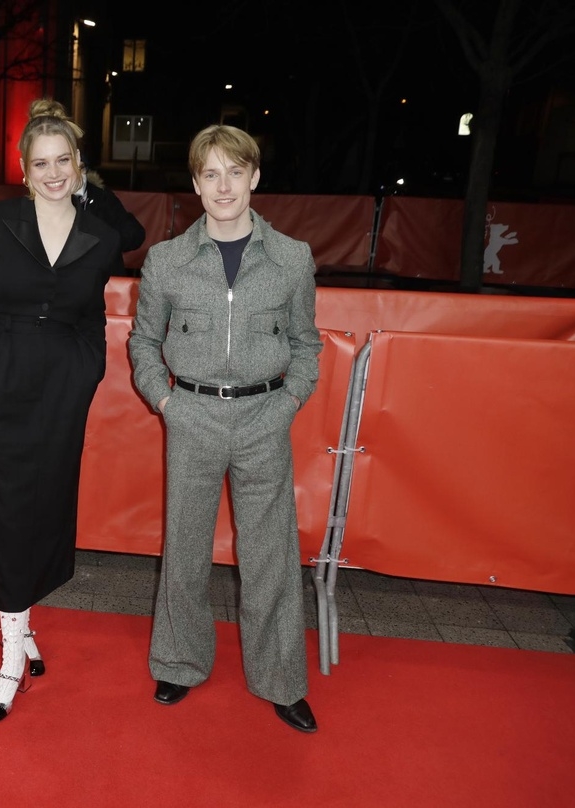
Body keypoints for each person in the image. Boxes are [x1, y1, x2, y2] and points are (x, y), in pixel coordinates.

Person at [127, 124, 324, 733]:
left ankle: (282, 679)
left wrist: (291, 398)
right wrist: (164, 400)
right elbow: (142, 342)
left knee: (270, 555)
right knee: (184, 547)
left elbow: (307, 343)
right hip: (192, 417)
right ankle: (179, 662)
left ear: (255, 177)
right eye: (210, 174)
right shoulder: (167, 261)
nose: (223, 186)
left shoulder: (291, 258)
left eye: (234, 172)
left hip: (265, 417)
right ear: (195, 183)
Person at [0, 98, 123, 722]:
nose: (52, 173)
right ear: (23, 169)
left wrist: (89, 371)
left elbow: (95, 312)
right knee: (4, 509)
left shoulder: (99, 235)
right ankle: (11, 654)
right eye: (40, 163)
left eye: (63, 161)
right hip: (3, 375)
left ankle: (21, 621)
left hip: (64, 383)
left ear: (78, 165)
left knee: (45, 503)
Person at [75, 162, 146, 261]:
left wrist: (105, 241)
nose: (77, 173)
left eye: (81, 168)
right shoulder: (50, 200)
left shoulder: (101, 197)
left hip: (103, 271)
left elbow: (134, 233)